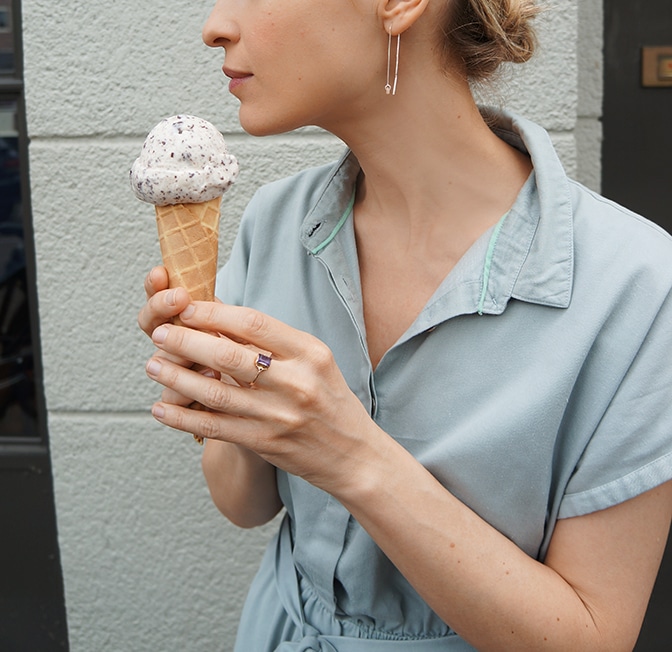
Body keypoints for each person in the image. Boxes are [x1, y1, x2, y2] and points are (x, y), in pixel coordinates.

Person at [138, 0, 672, 649]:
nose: (214, 25)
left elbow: (593, 639)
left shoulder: (639, 288)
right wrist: (219, 397)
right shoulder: (273, 223)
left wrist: (350, 455)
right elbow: (244, 504)